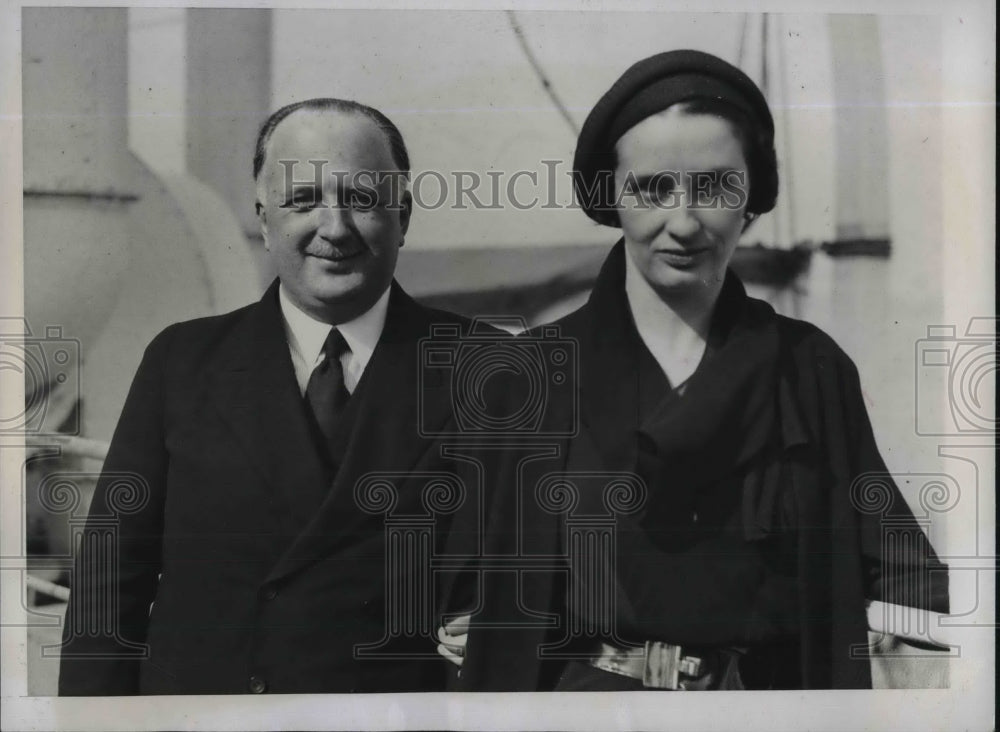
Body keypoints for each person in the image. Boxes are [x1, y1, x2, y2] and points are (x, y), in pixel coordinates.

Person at [439, 50, 949, 690]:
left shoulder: (810, 369)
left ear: (752, 197)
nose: (683, 222)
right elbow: (455, 591)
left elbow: (900, 569)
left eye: (713, 187)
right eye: (653, 188)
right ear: (611, 197)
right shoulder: (526, 375)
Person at [58, 98, 487, 694]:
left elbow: (550, 580)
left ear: (404, 216)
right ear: (263, 219)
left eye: (361, 199)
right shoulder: (182, 362)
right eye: (303, 200)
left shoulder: (490, 369)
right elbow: (108, 591)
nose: (333, 229)